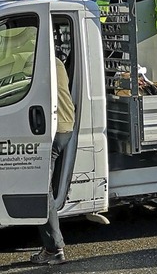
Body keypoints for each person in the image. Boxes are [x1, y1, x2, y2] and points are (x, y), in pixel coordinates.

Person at [30, 57, 75, 265]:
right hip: (63, 127)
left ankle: (54, 248)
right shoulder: (52, 59)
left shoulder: (38, 60)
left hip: (54, 129)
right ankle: (52, 247)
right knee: (42, 187)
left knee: (42, 188)